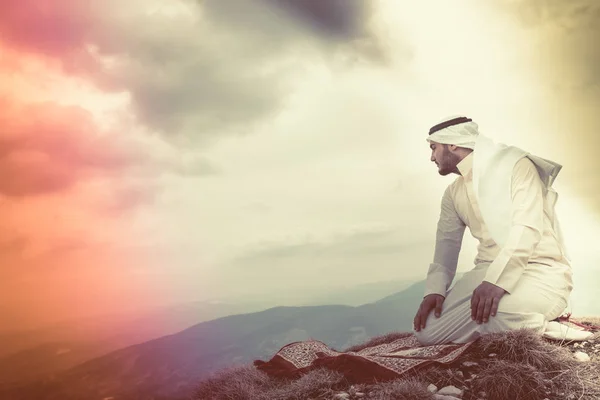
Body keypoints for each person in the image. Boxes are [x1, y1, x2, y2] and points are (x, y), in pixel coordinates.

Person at [412, 115, 575, 345]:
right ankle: (523, 323)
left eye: (433, 148)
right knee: (426, 331)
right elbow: (446, 246)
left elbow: (526, 228)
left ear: (452, 144)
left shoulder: (518, 166)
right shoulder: (453, 193)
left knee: (498, 315)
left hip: (542, 269)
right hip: (486, 272)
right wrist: (435, 291)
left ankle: (547, 327)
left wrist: (497, 282)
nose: (431, 157)